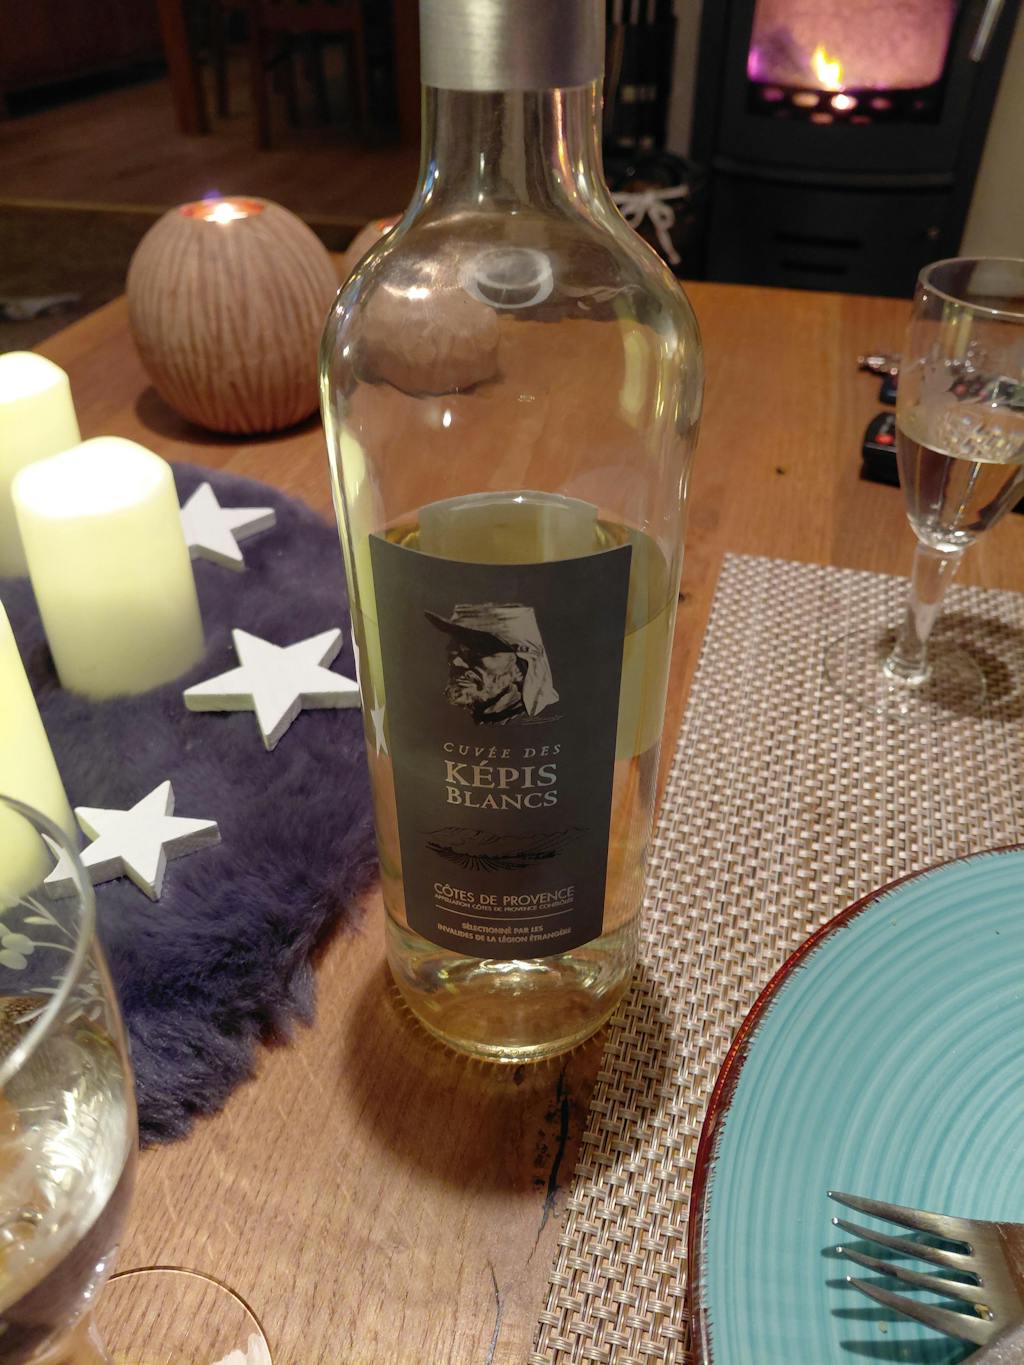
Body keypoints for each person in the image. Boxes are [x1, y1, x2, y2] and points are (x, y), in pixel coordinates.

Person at [425, 602, 559, 725]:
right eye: (453, 653)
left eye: (476, 654)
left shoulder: (538, 727)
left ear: (520, 668)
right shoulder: (447, 722)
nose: (456, 662)